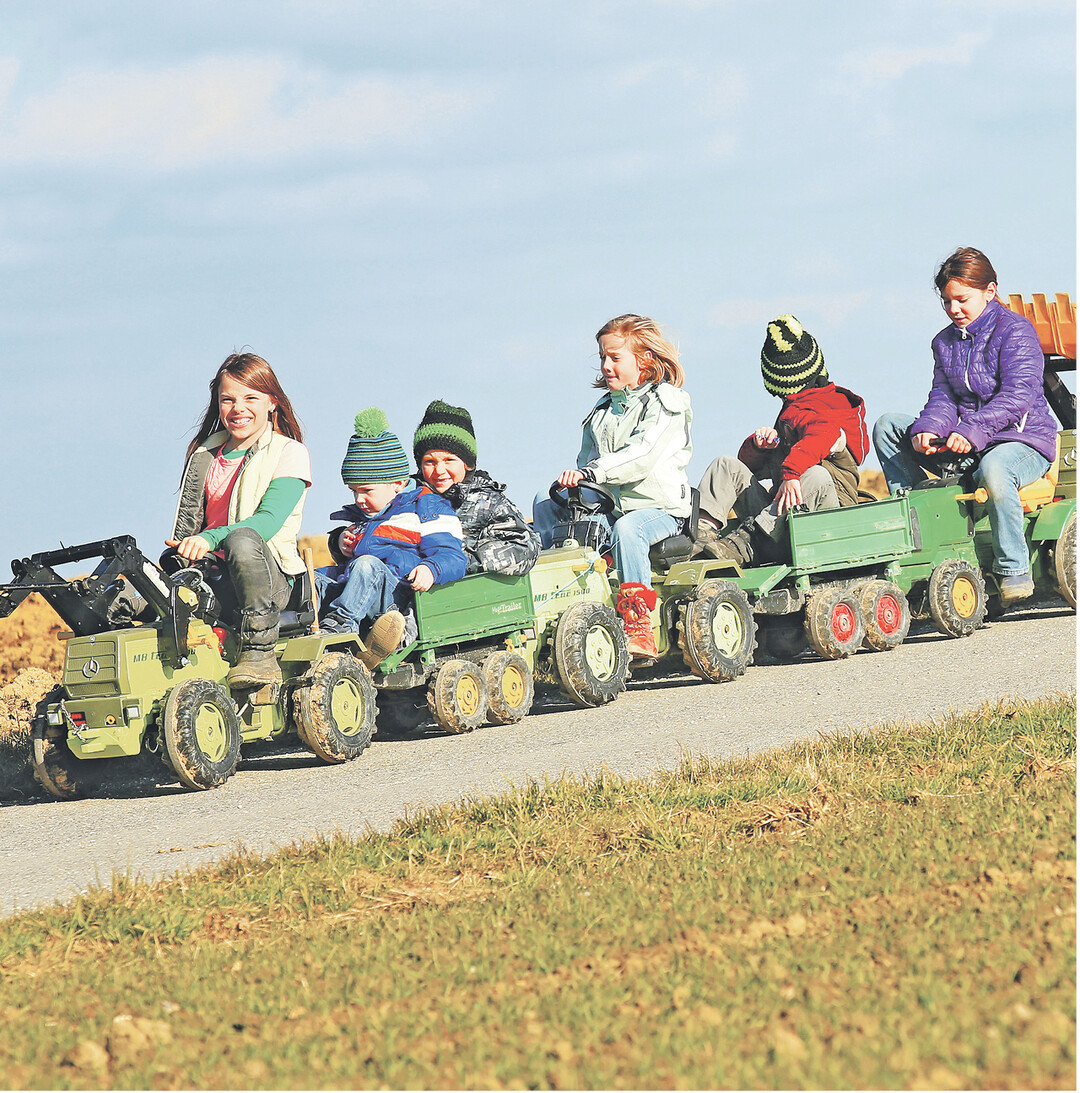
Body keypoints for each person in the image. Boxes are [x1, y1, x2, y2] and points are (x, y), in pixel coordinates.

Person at [873, 247, 1057, 606]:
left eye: (962, 299)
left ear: (989, 291)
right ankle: (919, 525)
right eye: (947, 302)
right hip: (968, 442)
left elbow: (1018, 396)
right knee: (888, 426)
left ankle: (1013, 569)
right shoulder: (943, 343)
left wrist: (970, 430)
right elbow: (943, 396)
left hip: (1021, 441)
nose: (954, 309)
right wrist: (928, 429)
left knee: (995, 467)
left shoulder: (1016, 332)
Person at [533, 314, 693, 660]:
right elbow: (587, 464)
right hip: (614, 507)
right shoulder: (602, 410)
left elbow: (642, 454)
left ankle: (639, 625)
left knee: (627, 528)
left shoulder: (666, 402)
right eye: (603, 357)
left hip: (659, 511)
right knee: (544, 504)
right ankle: (555, 599)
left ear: (645, 359)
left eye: (615, 357)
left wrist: (593, 473)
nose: (606, 365)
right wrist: (578, 483)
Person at [168, 352, 311, 689]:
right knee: (132, 581)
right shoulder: (203, 455)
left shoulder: (289, 453)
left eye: (251, 398)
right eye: (228, 399)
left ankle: (260, 654)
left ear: (272, 402)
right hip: (213, 577)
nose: (238, 408)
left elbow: (266, 522)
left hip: (269, 582)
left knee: (242, 539)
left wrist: (208, 539)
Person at [694, 315, 869, 564]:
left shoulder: (832, 406)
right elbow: (750, 467)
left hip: (820, 522)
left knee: (815, 475)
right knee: (726, 465)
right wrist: (759, 447)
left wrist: (791, 472)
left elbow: (824, 434)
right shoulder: (791, 411)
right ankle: (701, 536)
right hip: (779, 522)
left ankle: (745, 543)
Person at [316, 408, 467, 666]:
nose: (358, 499)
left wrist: (431, 568)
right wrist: (342, 541)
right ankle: (296, 626)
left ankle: (341, 627)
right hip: (358, 589)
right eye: (353, 491)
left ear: (397, 483)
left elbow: (454, 556)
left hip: (395, 593)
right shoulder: (369, 514)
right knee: (314, 577)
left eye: (366, 490)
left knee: (367, 566)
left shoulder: (426, 508)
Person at [413, 399, 540, 576]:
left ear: (467, 464)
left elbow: (525, 547)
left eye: (449, 460)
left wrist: (457, 561)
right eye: (430, 462)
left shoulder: (489, 502)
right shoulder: (407, 498)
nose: (440, 470)